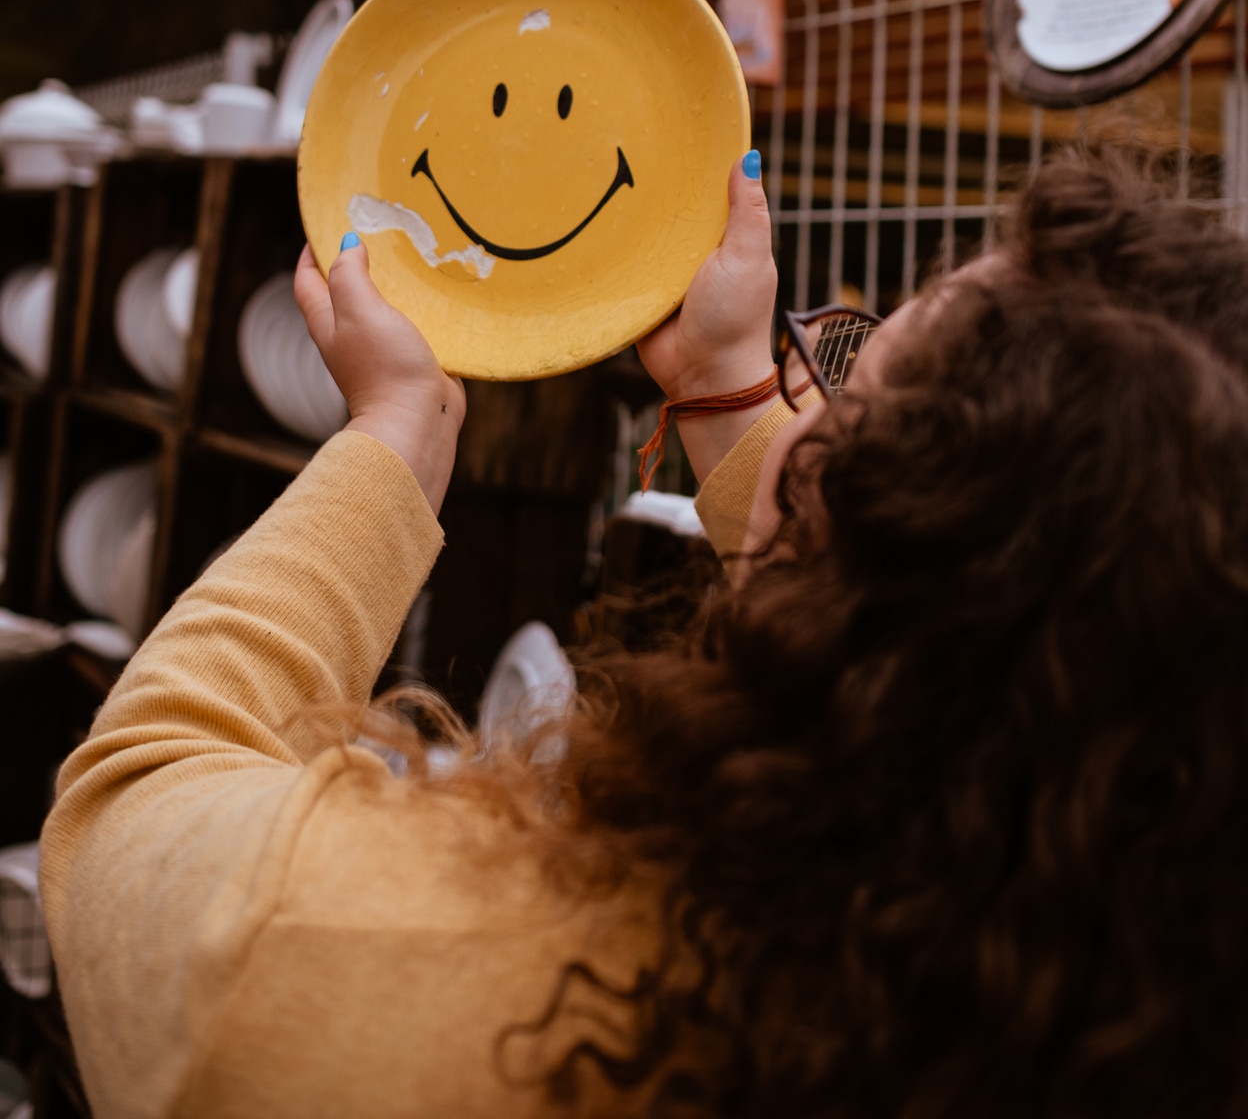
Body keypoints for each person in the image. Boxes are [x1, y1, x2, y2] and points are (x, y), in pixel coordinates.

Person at [39, 149, 1248, 1117]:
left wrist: (396, 431)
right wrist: (727, 384)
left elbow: (140, 784)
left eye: (853, 376)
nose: (808, 391)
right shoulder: (1133, 1016)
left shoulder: (385, 959)